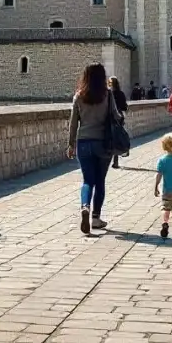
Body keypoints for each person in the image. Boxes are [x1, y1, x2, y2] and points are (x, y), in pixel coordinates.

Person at [67, 63, 122, 234]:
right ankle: (96, 218)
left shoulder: (79, 96)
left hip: (83, 142)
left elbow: (73, 123)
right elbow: (116, 116)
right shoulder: (108, 95)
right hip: (103, 143)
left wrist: (71, 144)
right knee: (100, 181)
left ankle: (85, 206)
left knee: (87, 180)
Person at [108, 77, 129, 169]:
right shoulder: (121, 94)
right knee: (117, 137)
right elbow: (124, 107)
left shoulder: (108, 94)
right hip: (119, 118)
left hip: (109, 118)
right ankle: (115, 161)